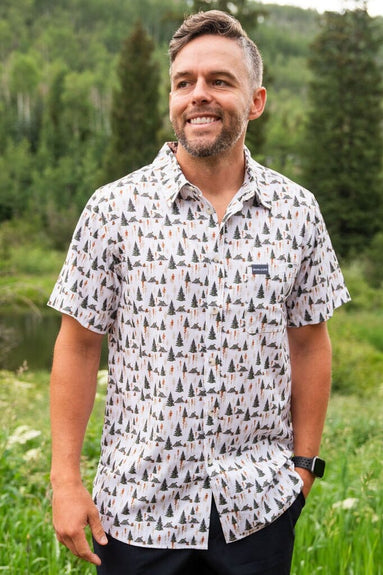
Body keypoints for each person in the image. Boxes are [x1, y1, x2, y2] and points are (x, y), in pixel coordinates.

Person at [49, 10, 350, 575]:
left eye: (219, 81)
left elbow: (310, 342)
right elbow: (78, 344)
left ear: (256, 100)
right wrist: (65, 480)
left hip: (257, 509)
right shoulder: (113, 209)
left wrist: (303, 467)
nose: (198, 96)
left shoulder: (297, 212)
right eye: (184, 82)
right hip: (137, 511)